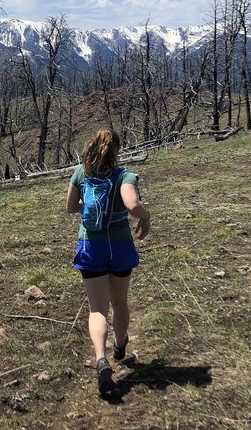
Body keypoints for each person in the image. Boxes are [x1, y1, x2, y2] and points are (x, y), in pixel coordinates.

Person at [66, 129, 151, 395]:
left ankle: (101, 358)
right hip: (120, 246)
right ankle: (120, 343)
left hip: (91, 245)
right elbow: (132, 204)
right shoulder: (125, 175)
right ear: (117, 150)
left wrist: (86, 206)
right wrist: (146, 217)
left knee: (97, 309)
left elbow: (70, 207)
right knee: (120, 302)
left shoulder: (81, 173)